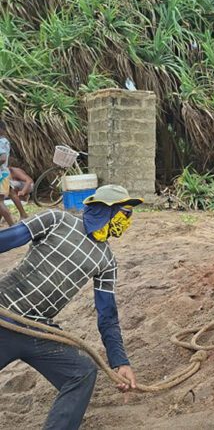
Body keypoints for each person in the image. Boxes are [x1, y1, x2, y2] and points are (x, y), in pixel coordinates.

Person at [0, 184, 143, 429]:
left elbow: (107, 316)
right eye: (125, 213)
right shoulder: (56, 219)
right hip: (5, 315)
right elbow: (8, 239)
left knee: (82, 372)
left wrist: (120, 362)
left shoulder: (107, 261)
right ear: (106, 209)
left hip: (38, 329)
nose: (127, 221)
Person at [0, 121, 14, 226]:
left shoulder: (0, 142)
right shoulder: (5, 141)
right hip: (4, 173)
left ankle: (12, 226)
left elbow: (3, 158)